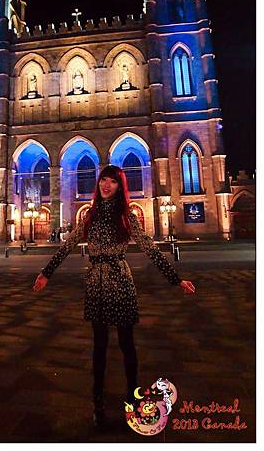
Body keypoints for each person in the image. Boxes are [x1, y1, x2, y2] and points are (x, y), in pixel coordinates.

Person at [32, 165, 195, 427]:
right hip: (96, 281)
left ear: (120, 186)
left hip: (120, 279)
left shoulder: (126, 216)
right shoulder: (89, 216)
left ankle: (132, 399)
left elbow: (150, 249)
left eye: (112, 182)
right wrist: (46, 273)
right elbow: (68, 245)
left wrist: (176, 279)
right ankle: (98, 402)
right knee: (99, 346)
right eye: (103, 181)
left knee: (127, 344)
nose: (106, 185)